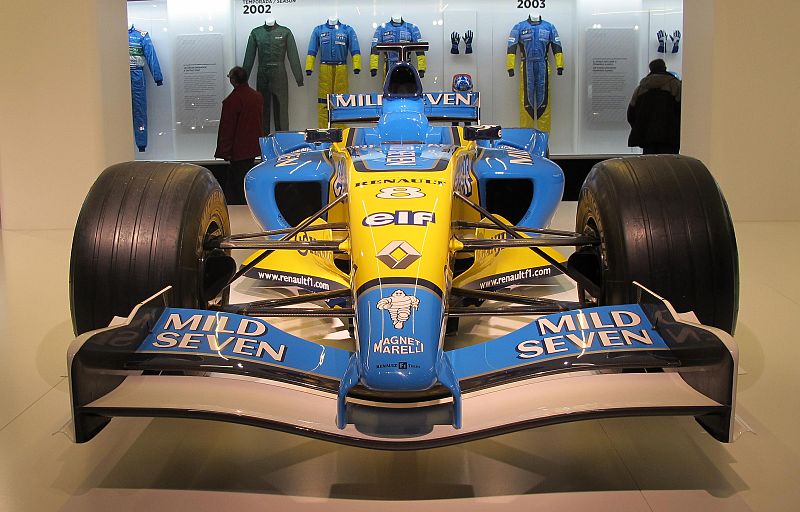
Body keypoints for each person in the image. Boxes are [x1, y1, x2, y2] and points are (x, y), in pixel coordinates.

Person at [215, 66, 264, 205]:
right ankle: (249, 204)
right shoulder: (257, 97)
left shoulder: (233, 101)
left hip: (239, 149)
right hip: (253, 146)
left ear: (233, 80)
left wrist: (224, 151)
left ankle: (238, 207)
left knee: (237, 184)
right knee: (244, 178)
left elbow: (227, 128)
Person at [627, 59, 682, 154]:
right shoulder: (676, 85)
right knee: (669, 162)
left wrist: (640, 128)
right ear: (664, 68)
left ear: (651, 69)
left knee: (649, 162)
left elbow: (631, 114)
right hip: (670, 137)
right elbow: (682, 111)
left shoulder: (640, 88)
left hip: (647, 138)